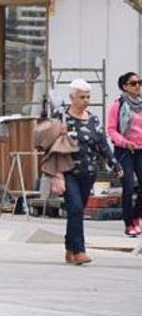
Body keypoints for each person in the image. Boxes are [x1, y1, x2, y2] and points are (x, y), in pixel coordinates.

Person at [60, 79, 122, 264]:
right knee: (76, 207)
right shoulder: (61, 117)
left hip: (88, 171)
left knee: (76, 211)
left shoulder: (93, 119)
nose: (86, 100)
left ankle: (70, 246)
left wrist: (115, 165)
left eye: (88, 96)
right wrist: (55, 174)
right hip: (67, 170)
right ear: (72, 97)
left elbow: (102, 144)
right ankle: (79, 250)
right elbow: (49, 145)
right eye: (82, 97)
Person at [106, 72, 142, 237]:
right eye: (133, 83)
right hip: (125, 151)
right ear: (124, 87)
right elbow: (111, 130)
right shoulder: (118, 105)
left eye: (139, 83)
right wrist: (124, 142)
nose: (137, 86)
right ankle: (129, 224)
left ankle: (136, 216)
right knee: (128, 188)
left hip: (141, 150)